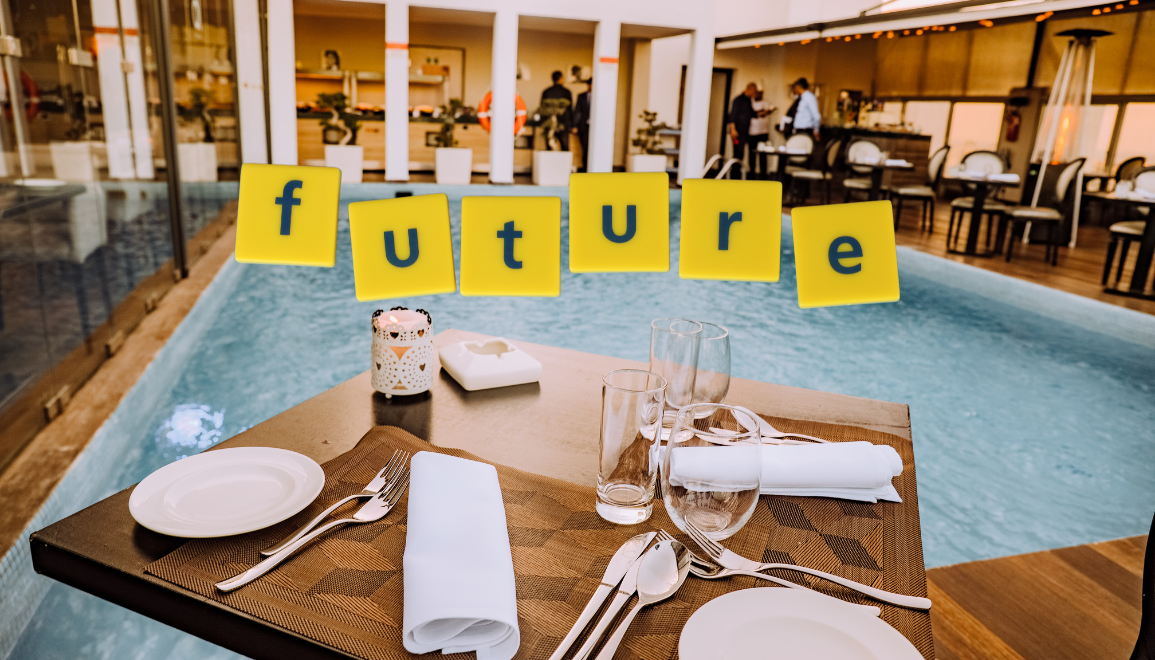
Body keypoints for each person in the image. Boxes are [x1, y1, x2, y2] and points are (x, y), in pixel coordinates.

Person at [727, 82, 757, 179]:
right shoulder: (738, 100)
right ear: (749, 89)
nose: (754, 93)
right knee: (738, 153)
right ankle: (734, 177)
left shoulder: (749, 100)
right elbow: (733, 115)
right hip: (737, 131)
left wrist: (764, 112)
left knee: (743, 154)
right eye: (754, 91)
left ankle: (740, 176)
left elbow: (752, 114)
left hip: (746, 131)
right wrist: (733, 130)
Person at [540, 70, 573, 151]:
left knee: (549, 147)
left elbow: (542, 109)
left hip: (549, 123)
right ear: (560, 78)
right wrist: (570, 124)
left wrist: (543, 122)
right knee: (564, 148)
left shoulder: (546, 92)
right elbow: (570, 109)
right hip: (563, 124)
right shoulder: (566, 92)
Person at [748, 88, 775, 179]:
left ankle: (764, 176)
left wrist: (765, 112)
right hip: (752, 132)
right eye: (757, 93)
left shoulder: (766, 103)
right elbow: (756, 114)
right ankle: (751, 175)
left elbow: (768, 111)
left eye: (760, 93)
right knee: (752, 155)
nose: (758, 94)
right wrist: (762, 112)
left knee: (763, 155)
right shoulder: (751, 103)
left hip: (763, 133)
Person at [572, 79, 591, 172]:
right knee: (585, 148)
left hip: (595, 128)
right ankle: (585, 168)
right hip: (584, 126)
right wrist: (575, 125)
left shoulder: (600, 96)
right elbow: (577, 111)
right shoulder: (581, 96)